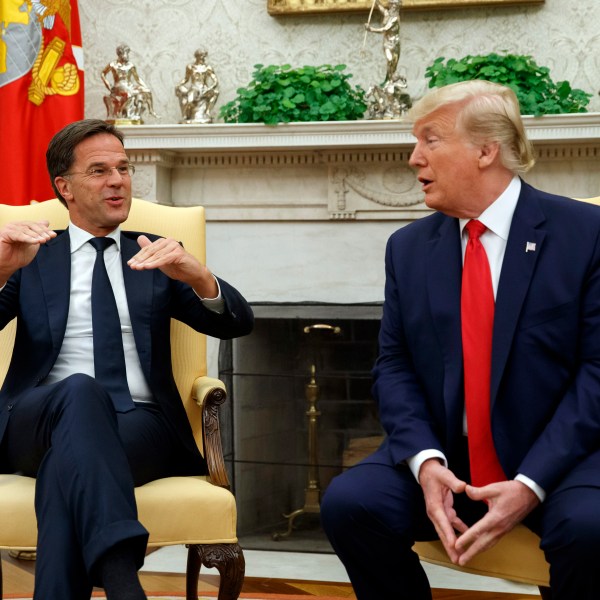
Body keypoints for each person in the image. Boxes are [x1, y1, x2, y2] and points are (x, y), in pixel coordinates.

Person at [321, 79, 600, 599]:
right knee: (350, 504)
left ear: (486, 151)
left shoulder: (585, 233)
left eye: (430, 140)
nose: (412, 158)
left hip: (560, 460)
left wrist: (531, 483)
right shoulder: (408, 248)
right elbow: (394, 365)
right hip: (449, 456)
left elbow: (598, 373)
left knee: (589, 530)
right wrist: (425, 462)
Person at [0, 119, 254, 599]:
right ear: (65, 188)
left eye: (123, 168)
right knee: (78, 389)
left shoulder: (155, 256)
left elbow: (235, 323)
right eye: (98, 170)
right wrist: (0, 268)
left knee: (65, 470)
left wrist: (198, 274)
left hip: (142, 423)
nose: (117, 180)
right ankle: (121, 582)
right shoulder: (33, 256)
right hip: (37, 418)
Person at [101, 44, 158, 122]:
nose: (127, 56)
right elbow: (103, 73)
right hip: (119, 87)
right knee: (129, 94)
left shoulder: (131, 66)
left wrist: (145, 87)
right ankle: (120, 112)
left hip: (129, 86)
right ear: (120, 54)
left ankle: (151, 111)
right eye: (126, 53)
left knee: (147, 91)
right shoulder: (113, 64)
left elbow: (137, 79)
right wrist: (107, 83)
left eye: (127, 53)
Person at [175, 49, 219, 124]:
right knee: (190, 101)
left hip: (204, 88)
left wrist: (210, 89)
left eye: (204, 56)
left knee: (216, 93)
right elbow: (186, 79)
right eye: (202, 56)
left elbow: (215, 81)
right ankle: (185, 115)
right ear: (197, 56)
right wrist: (179, 85)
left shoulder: (208, 67)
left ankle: (207, 112)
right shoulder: (190, 67)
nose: (203, 58)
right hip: (194, 88)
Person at [364, 0, 402, 84]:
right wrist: (376, 2)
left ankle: (390, 82)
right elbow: (380, 7)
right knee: (389, 60)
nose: (393, 7)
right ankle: (387, 81)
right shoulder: (386, 14)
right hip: (387, 43)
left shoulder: (395, 18)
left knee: (393, 65)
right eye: (392, 5)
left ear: (398, 7)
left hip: (395, 44)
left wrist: (371, 29)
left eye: (395, 5)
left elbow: (384, 29)